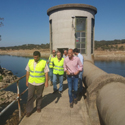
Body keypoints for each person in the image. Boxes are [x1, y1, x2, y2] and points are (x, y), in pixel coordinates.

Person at [25, 51, 49, 117]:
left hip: (40, 82)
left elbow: (46, 73)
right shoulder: (30, 61)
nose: (35, 58)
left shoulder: (44, 62)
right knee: (30, 96)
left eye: (37, 57)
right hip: (31, 82)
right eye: (34, 57)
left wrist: (46, 82)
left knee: (39, 95)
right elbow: (27, 72)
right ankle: (29, 110)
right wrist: (26, 81)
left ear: (39, 56)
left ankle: (38, 107)